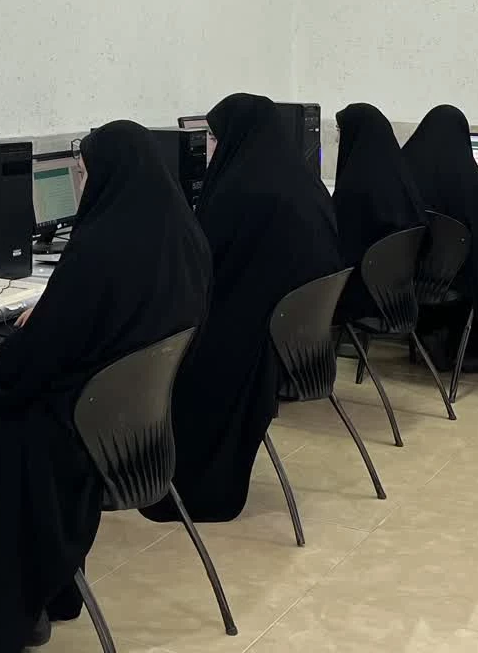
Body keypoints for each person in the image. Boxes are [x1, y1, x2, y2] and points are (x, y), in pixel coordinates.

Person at [0, 120, 210, 653]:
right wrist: (51, 312)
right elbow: (85, 324)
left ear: (104, 176)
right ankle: (55, 590)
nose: (78, 183)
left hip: (78, 431)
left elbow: (38, 359)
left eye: (81, 172)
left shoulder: (100, 247)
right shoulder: (182, 233)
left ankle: (11, 607)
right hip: (133, 426)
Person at [141, 93, 344, 524]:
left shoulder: (241, 191)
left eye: (213, 138)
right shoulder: (295, 179)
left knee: (154, 347)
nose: (209, 149)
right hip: (291, 342)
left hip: (248, 344)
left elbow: (202, 268)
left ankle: (155, 478)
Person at [400, 104, 478, 373]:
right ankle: (465, 348)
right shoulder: (463, 175)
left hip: (407, 277)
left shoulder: (403, 168)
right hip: (452, 279)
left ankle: (432, 335)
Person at [331, 102, 429, 321]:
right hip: (397, 295)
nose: (337, 139)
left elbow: (338, 246)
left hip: (361, 295)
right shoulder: (398, 175)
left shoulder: (355, 186)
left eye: (339, 130)